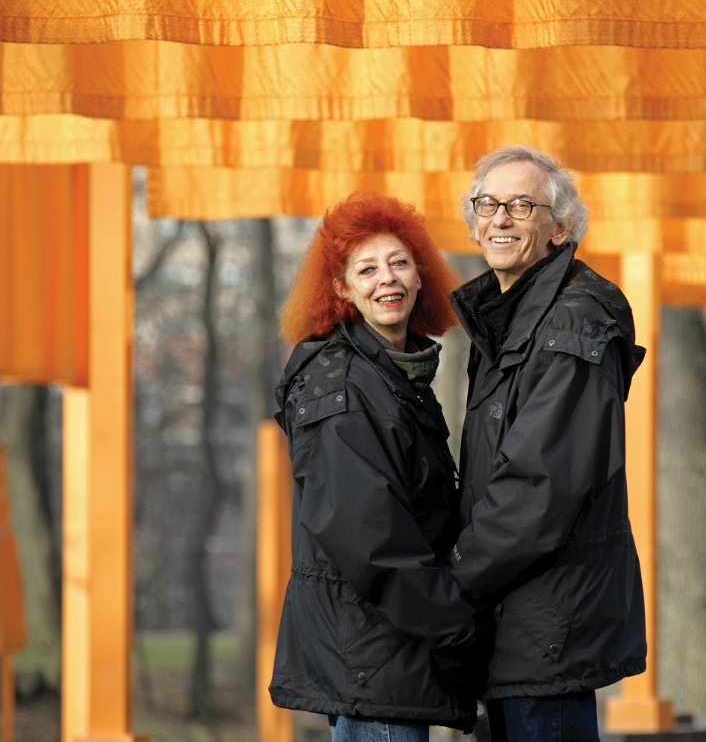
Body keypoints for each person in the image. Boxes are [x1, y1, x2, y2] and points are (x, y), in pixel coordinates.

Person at [447, 146, 648, 741]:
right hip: (516, 624)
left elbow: (540, 489)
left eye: (522, 205)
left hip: (548, 628)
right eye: (488, 204)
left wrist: (450, 586)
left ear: (561, 229)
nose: (500, 218)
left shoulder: (573, 321)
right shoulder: (509, 318)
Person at [270, 193, 484, 740]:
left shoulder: (393, 375)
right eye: (366, 269)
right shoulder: (341, 384)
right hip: (375, 653)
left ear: (421, 277)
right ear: (341, 288)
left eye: (399, 262)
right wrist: (456, 627)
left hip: (395, 647)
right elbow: (368, 538)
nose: (385, 279)